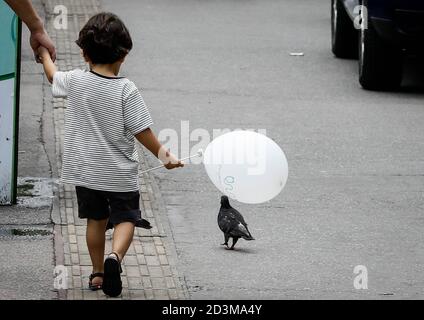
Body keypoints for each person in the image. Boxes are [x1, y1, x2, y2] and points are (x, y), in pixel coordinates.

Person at [37, 12, 184, 297]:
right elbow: (143, 132)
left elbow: (52, 74)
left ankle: (96, 274)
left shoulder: (76, 81)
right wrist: (165, 156)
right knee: (126, 217)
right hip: (118, 174)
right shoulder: (126, 90)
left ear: (84, 54)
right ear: (123, 55)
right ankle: (115, 256)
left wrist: (44, 53)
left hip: (85, 171)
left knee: (95, 220)